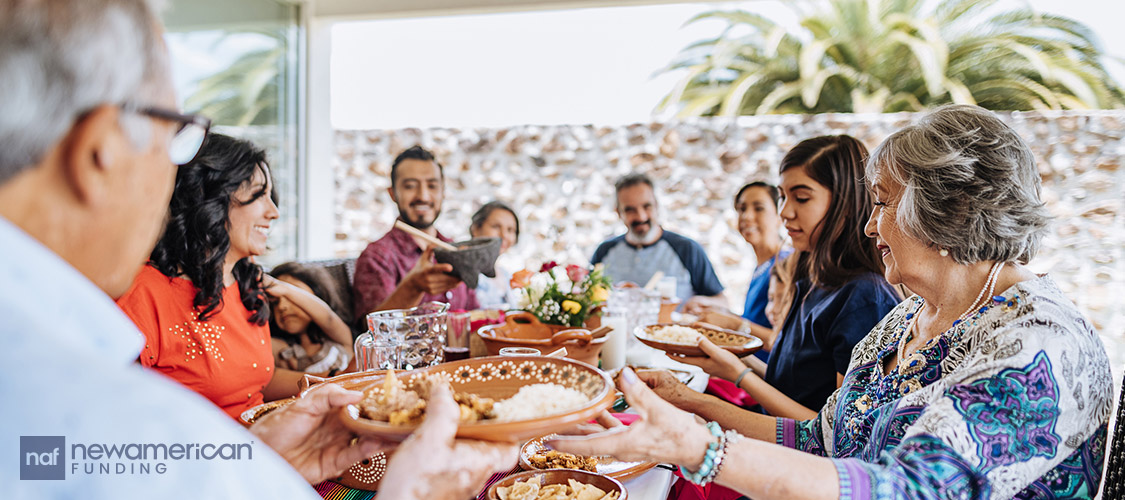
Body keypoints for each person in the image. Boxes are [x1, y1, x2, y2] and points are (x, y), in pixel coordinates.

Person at [0, 2, 514, 498]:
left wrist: (268, 449)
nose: (273, 212)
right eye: (175, 132)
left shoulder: (238, 289)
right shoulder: (91, 348)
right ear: (100, 153)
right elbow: (98, 456)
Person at [551, 105, 1111, 500]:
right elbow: (823, 440)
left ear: (951, 208)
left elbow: (908, 490)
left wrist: (701, 447)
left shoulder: (1040, 342)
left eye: (883, 203)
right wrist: (689, 410)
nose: (869, 225)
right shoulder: (908, 320)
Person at [676, 136, 901, 419]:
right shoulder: (810, 279)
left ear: (845, 203)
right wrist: (730, 362)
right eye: (783, 196)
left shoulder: (864, 298)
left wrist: (740, 374)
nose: (784, 212)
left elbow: (836, 433)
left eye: (802, 198)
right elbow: (792, 383)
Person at [116, 133, 310, 419]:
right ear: (211, 200)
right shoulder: (144, 292)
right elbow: (122, 412)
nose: (274, 212)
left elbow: (257, 381)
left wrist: (330, 385)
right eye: (258, 195)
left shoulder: (245, 282)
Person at [353, 145, 478, 319]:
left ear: (443, 192)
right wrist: (412, 287)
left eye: (432, 186)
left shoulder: (454, 249)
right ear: (393, 193)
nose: (424, 196)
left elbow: (475, 316)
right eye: (410, 186)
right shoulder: (377, 257)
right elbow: (371, 331)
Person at [688, 181, 791, 363]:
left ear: (779, 216)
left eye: (758, 208)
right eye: (742, 209)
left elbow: (786, 341)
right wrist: (720, 313)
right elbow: (755, 322)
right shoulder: (763, 266)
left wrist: (732, 323)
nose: (747, 216)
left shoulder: (786, 265)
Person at [592, 173, 725, 305]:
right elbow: (586, 298)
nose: (641, 217)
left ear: (656, 205)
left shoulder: (687, 249)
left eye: (646, 206)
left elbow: (722, 301)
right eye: (630, 210)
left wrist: (700, 301)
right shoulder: (604, 251)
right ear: (618, 212)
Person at [268, 262, 353, 375]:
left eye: (291, 296)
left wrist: (284, 289)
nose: (282, 306)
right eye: (275, 302)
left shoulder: (341, 338)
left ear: (316, 293)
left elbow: (328, 318)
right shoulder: (284, 352)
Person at [469, 200, 520, 308]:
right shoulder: (463, 273)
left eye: (510, 230)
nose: (504, 235)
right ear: (476, 229)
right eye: (496, 226)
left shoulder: (506, 275)